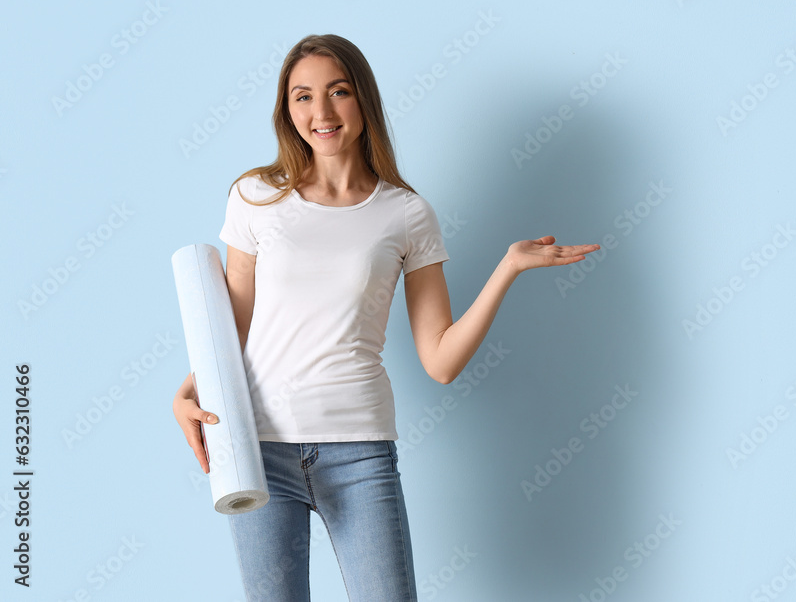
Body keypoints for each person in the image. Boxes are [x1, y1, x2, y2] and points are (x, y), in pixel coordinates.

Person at [171, 33, 600, 601]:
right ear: (286, 108)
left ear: (363, 101)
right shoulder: (256, 197)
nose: (320, 112)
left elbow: (441, 361)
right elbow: (234, 323)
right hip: (258, 448)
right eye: (302, 96)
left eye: (338, 92)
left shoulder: (406, 214)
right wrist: (190, 390)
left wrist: (509, 267)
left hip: (359, 452)